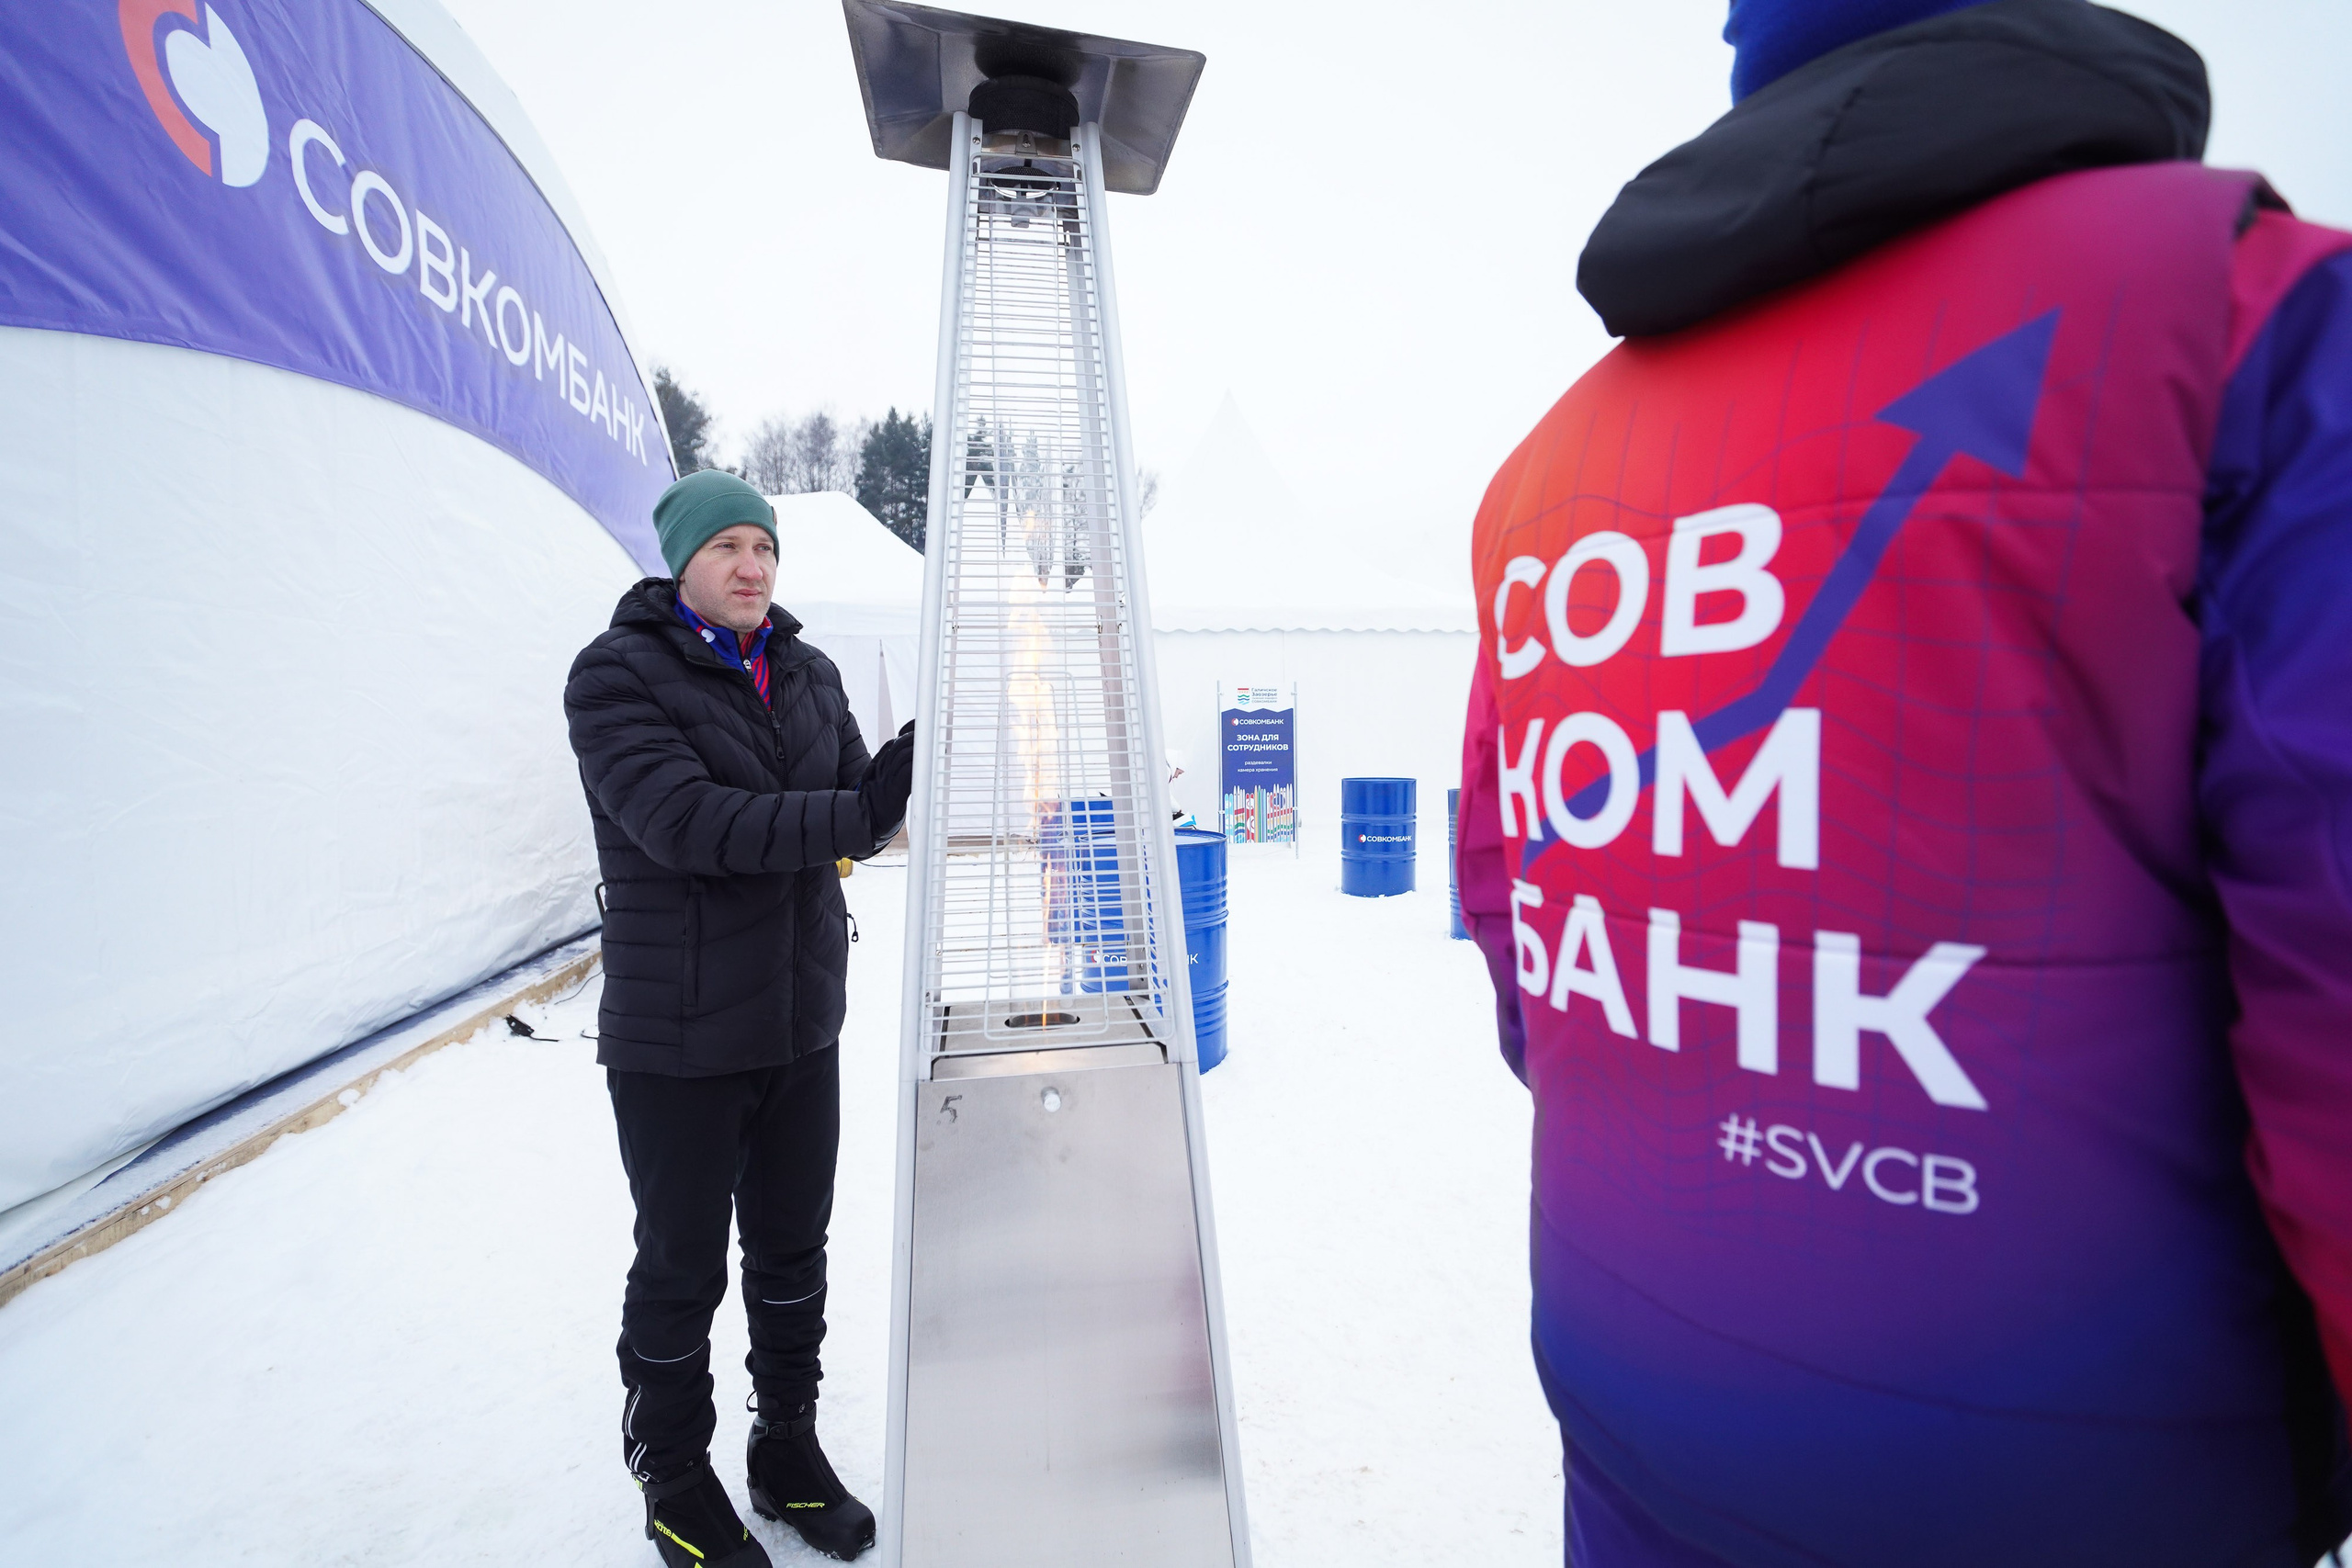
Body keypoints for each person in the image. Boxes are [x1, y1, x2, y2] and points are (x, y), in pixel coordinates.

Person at [1455, 2, 2352, 1564]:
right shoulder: (2248, 328)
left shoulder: (1549, 471)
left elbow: (1533, 953)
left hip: (1636, 1438)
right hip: (2097, 1488)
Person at [565, 469, 915, 1566]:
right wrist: (857, 813)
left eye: (763, 546)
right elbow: (689, 824)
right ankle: (674, 1477)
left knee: (791, 1250)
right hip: (679, 1038)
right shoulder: (616, 676)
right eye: (726, 546)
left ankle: (786, 1447)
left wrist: (897, 790)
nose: (752, 565)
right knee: (680, 1264)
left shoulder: (807, 671)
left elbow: (857, 816)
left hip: (801, 1019)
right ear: (680, 560)